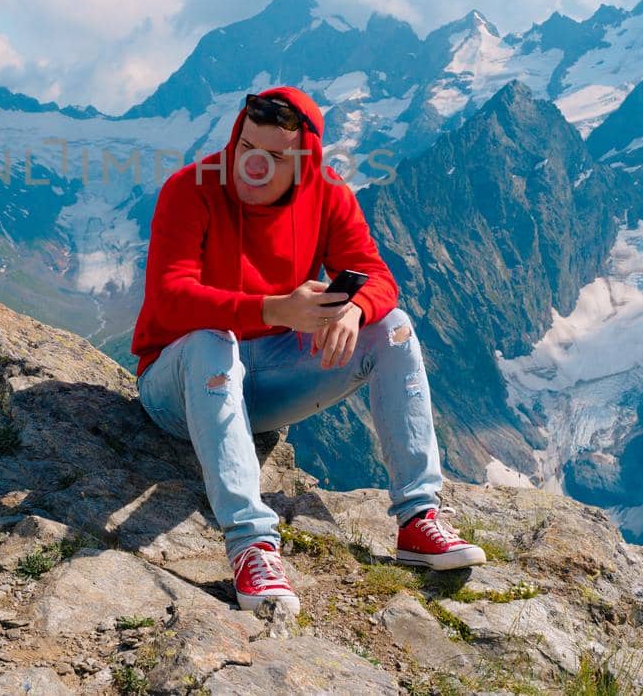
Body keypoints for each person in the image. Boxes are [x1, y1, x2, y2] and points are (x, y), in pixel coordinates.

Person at [133, 86, 485, 614]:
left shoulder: (327, 193)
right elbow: (169, 299)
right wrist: (272, 309)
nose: (252, 163)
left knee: (392, 327)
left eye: (273, 156)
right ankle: (251, 545)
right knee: (211, 338)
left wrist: (355, 310)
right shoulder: (191, 188)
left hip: (265, 384)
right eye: (245, 144)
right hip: (178, 385)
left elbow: (380, 277)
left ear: (303, 161)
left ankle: (417, 519)